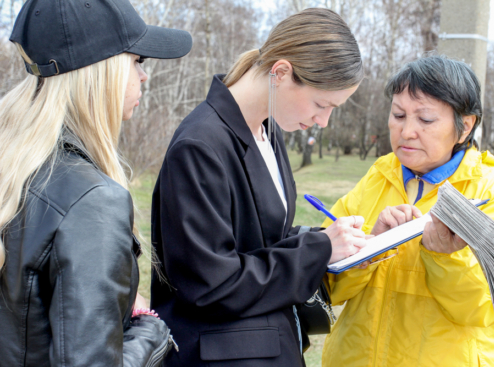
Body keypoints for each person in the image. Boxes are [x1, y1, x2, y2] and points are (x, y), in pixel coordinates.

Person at [150, 8, 368, 367]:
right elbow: (212, 284)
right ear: (281, 73)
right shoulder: (200, 145)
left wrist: (335, 241)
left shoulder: (267, 130)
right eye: (321, 104)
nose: (322, 121)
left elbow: (259, 239)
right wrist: (318, 249)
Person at [0, 0, 192, 365]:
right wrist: (151, 333)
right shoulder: (91, 200)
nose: (143, 76)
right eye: (137, 61)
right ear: (101, 70)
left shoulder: (12, 169)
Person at [321, 55, 494, 367]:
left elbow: (487, 308)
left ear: (465, 126)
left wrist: (447, 258)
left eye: (426, 120)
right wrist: (368, 248)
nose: (406, 131)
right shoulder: (377, 177)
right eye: (398, 115)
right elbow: (328, 290)